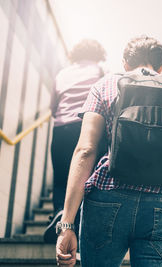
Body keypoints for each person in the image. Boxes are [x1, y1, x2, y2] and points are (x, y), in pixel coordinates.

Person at [56, 35, 162, 267]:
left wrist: (67, 224)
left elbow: (85, 150)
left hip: (107, 197)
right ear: (161, 67)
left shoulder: (105, 85)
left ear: (125, 64)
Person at [44, 39, 106, 243]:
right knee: (85, 177)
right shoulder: (99, 72)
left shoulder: (62, 73)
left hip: (61, 129)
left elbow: (52, 108)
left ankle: (60, 214)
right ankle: (77, 223)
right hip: (87, 128)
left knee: (61, 178)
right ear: (98, 53)